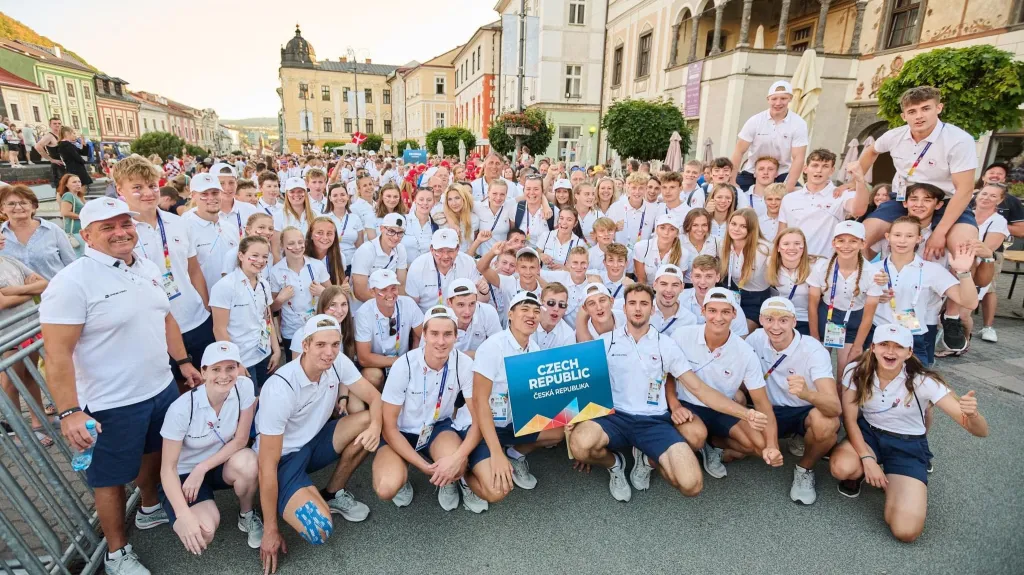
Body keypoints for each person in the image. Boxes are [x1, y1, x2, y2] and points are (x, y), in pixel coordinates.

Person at [41, 198, 202, 575]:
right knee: (109, 479)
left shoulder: (146, 265)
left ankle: (149, 507)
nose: (120, 232)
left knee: (154, 453)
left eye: (124, 224)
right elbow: (57, 353)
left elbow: (166, 318)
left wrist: (182, 362)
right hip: (110, 402)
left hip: (160, 387)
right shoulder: (72, 282)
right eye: (107, 227)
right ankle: (116, 553)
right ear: (86, 236)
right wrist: (69, 412)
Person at [572, 284, 770, 501]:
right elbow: (583, 382)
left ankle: (648, 460)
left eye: (644, 303)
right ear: (624, 308)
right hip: (614, 417)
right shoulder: (605, 342)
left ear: (652, 309)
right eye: (632, 303)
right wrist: (573, 417)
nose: (637, 308)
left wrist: (746, 413)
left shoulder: (666, 345)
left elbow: (699, 388)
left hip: (654, 421)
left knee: (691, 485)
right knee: (580, 445)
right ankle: (615, 464)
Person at [829, 324, 988, 542]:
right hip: (870, 435)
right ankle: (866, 473)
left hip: (907, 444)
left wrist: (973, 415)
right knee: (842, 467)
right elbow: (850, 420)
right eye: (884, 344)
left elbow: (980, 432)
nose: (890, 352)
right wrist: (867, 459)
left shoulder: (923, 380)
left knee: (905, 531)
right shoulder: (856, 370)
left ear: (909, 352)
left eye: (899, 347)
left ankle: (895, 480)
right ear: (873, 347)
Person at [255, 315, 380, 570]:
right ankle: (293, 496)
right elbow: (266, 465)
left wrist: (376, 428)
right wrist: (270, 530)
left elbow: (375, 398)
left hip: (315, 441)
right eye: (321, 345)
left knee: (369, 421)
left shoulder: (337, 361)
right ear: (305, 345)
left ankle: (332, 493)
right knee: (319, 529)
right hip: (284, 458)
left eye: (334, 344)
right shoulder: (280, 388)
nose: (329, 352)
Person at [372, 305, 490, 511]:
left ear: (456, 336)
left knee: (457, 464)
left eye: (447, 334)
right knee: (386, 488)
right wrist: (424, 466)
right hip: (400, 432)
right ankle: (403, 478)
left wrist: (457, 459)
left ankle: (451, 479)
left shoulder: (463, 363)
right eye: (434, 333)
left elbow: (479, 417)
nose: (441, 341)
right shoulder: (403, 365)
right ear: (424, 335)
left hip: (437, 427)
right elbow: (389, 427)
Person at [158, 342, 263, 554]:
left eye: (230, 368)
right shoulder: (181, 409)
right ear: (203, 372)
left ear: (238, 369)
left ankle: (247, 514)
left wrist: (202, 468)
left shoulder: (243, 387)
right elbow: (167, 469)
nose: (224, 376)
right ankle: (180, 507)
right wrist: (183, 514)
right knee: (203, 533)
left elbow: (241, 440)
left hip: (218, 464)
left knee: (249, 462)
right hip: (185, 475)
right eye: (216, 369)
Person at [858, 86, 979, 265]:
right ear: (904, 116)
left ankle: (960, 284)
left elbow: (965, 189)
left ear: (939, 108)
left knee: (965, 253)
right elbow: (871, 151)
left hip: (948, 202)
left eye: (926, 108)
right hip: (903, 199)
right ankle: (862, 280)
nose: (919, 116)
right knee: (858, 239)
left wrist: (940, 232)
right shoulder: (894, 135)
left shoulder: (959, 140)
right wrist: (854, 181)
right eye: (912, 111)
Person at [117, 156, 213, 380]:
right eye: (137, 188)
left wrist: (206, 308)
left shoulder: (178, 223)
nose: (148, 193)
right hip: (154, 328)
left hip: (195, 319)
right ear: (120, 189)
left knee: (207, 382)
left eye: (152, 186)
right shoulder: (119, 233)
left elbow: (194, 270)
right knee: (175, 389)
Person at [462, 290, 564, 499]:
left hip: (512, 422)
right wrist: (496, 453)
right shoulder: (492, 347)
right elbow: (480, 402)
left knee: (558, 432)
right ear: (510, 314)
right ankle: (462, 475)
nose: (531, 315)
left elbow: (535, 395)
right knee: (497, 492)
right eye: (524, 309)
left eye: (536, 311)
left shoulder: (534, 349)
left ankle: (515, 454)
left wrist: (566, 413)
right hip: (482, 426)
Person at [745, 297, 840, 504]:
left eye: (783, 320)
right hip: (768, 409)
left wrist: (807, 394)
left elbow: (835, 407)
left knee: (827, 424)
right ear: (761, 320)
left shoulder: (814, 350)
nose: (775, 327)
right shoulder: (755, 339)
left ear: (794, 321)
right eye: (769, 319)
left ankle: (804, 468)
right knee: (740, 447)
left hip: (803, 411)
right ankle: (789, 438)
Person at [874, 216, 978, 368]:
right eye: (897, 235)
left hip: (914, 337)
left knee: (915, 380)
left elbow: (970, 302)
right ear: (887, 237)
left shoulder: (932, 270)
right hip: (877, 335)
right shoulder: (872, 269)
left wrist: (964, 273)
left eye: (909, 236)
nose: (902, 240)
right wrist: (872, 297)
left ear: (919, 239)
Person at [808, 221, 882, 379]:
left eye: (853, 241)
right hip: (826, 317)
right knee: (819, 370)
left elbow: (868, 315)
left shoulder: (872, 273)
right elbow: (812, 305)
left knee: (846, 373)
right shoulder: (821, 267)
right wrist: (815, 337)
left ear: (863, 244)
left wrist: (857, 346)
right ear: (833, 243)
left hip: (854, 320)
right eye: (841, 240)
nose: (846, 246)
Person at [210, 236, 281, 390]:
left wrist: (276, 351)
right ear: (241, 255)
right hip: (243, 359)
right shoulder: (224, 287)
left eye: (265, 256)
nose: (260, 261)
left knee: (266, 394)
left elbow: (267, 319)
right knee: (250, 399)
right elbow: (219, 329)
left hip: (264, 354)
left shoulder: (264, 284)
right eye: (254, 255)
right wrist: (235, 363)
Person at [778, 149, 867, 258]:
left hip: (825, 263)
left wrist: (860, 181)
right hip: (793, 261)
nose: (819, 170)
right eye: (815, 165)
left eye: (825, 166)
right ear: (805, 169)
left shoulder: (842, 194)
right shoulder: (789, 198)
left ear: (832, 170)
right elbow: (781, 233)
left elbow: (859, 210)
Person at [0, 252, 49, 443]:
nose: (3, 237)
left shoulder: (9, 260)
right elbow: (2, 303)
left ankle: (40, 421)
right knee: (11, 382)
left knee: (30, 374)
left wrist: (13, 290)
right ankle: (20, 433)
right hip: (8, 334)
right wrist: (30, 290)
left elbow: (44, 284)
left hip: (28, 327)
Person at [731, 81, 809, 191]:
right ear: (768, 99)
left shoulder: (799, 123)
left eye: (783, 98)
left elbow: (798, 158)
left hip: (782, 173)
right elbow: (739, 151)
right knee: (732, 193)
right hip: (753, 171)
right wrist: (732, 180)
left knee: (798, 195)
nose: (778, 103)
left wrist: (789, 186)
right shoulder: (755, 121)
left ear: (790, 98)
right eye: (774, 99)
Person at [355, 269, 424, 389]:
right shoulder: (363, 313)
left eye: (393, 288)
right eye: (383, 290)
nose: (390, 294)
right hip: (378, 364)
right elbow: (364, 359)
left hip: (405, 361)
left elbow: (424, 336)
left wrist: (414, 357)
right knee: (372, 376)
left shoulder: (408, 303)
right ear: (372, 292)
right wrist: (401, 361)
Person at [271, 227, 331, 357]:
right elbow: (272, 308)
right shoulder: (275, 271)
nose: (297, 247)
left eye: (300, 242)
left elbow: (333, 296)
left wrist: (323, 292)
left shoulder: (317, 265)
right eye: (291, 243)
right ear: (282, 246)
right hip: (291, 331)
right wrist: (280, 299)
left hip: (317, 326)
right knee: (295, 365)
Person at [0, 185, 75, 279]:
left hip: (54, 287)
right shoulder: (1, 234)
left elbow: (72, 265)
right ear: (2, 209)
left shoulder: (53, 231)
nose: (18, 207)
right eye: (11, 204)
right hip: (14, 289)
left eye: (23, 203)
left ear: (34, 206)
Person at [184, 174, 239, 293]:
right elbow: (190, 272)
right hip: (201, 302)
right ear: (193, 195)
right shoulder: (184, 227)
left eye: (215, 193)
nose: (211, 198)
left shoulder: (230, 228)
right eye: (204, 194)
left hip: (232, 298)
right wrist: (205, 303)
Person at [971, 183, 1010, 343]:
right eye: (984, 193)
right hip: (960, 262)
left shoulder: (998, 221)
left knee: (986, 291)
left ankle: (987, 327)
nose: (986, 198)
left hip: (983, 263)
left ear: (999, 200)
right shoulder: (966, 214)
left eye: (993, 196)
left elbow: (987, 248)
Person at [406, 229, 481, 313]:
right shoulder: (417, 267)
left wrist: (483, 292)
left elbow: (477, 300)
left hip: (461, 316)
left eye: (450, 251)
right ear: (432, 249)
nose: (445, 256)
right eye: (440, 251)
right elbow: (412, 305)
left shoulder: (468, 262)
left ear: (457, 249)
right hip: (427, 318)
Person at [721, 208, 772, 330]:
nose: (736, 229)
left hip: (756, 299)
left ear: (751, 228)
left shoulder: (763, 249)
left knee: (741, 332)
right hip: (733, 293)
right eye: (733, 224)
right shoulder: (724, 245)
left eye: (743, 226)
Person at [350, 213, 410, 310]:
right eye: (391, 231)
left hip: (389, 304)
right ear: (382, 229)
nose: (395, 237)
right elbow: (360, 292)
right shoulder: (366, 251)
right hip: (364, 306)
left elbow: (401, 284)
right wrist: (385, 306)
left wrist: (397, 308)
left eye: (400, 233)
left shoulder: (400, 249)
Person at [633, 214, 686, 285]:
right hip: (646, 289)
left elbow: (677, 283)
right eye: (662, 228)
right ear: (656, 230)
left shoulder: (684, 253)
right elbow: (641, 280)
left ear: (677, 233)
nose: (666, 233)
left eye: (672, 229)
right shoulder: (641, 247)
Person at [649, 264, 698, 336]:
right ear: (654, 285)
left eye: (675, 285)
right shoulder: (642, 312)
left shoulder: (689, 319)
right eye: (664, 284)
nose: (669, 290)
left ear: (682, 287)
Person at [472, 179, 516, 256]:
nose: (498, 198)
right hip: (482, 256)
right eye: (494, 193)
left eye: (502, 194)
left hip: (502, 256)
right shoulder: (478, 206)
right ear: (488, 193)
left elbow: (525, 197)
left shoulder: (510, 205)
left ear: (506, 195)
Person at [530, 282, 577, 350]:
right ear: (541, 302)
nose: (556, 309)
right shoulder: (527, 323)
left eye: (562, 305)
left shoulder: (568, 335)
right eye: (551, 303)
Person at [514, 176, 556, 249]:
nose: (531, 193)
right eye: (528, 189)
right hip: (522, 253)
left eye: (536, 189)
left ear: (542, 191)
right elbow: (512, 233)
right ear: (523, 190)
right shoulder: (516, 208)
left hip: (544, 253)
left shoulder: (553, 210)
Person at [402, 187, 437, 262]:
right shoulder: (403, 221)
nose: (425, 203)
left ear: (433, 202)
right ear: (415, 201)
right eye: (421, 199)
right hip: (403, 268)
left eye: (429, 200)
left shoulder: (435, 227)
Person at [58, 174, 86, 255]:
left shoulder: (79, 196)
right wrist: (82, 217)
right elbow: (65, 212)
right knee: (79, 255)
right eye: (74, 182)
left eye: (79, 181)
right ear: (66, 185)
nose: (78, 184)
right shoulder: (68, 195)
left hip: (82, 230)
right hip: (75, 232)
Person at [33, 117, 65, 188]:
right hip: (58, 166)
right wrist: (51, 159)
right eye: (55, 123)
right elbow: (37, 146)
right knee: (61, 188)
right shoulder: (49, 136)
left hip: (66, 165)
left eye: (59, 123)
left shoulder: (62, 135)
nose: (57, 125)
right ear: (50, 125)